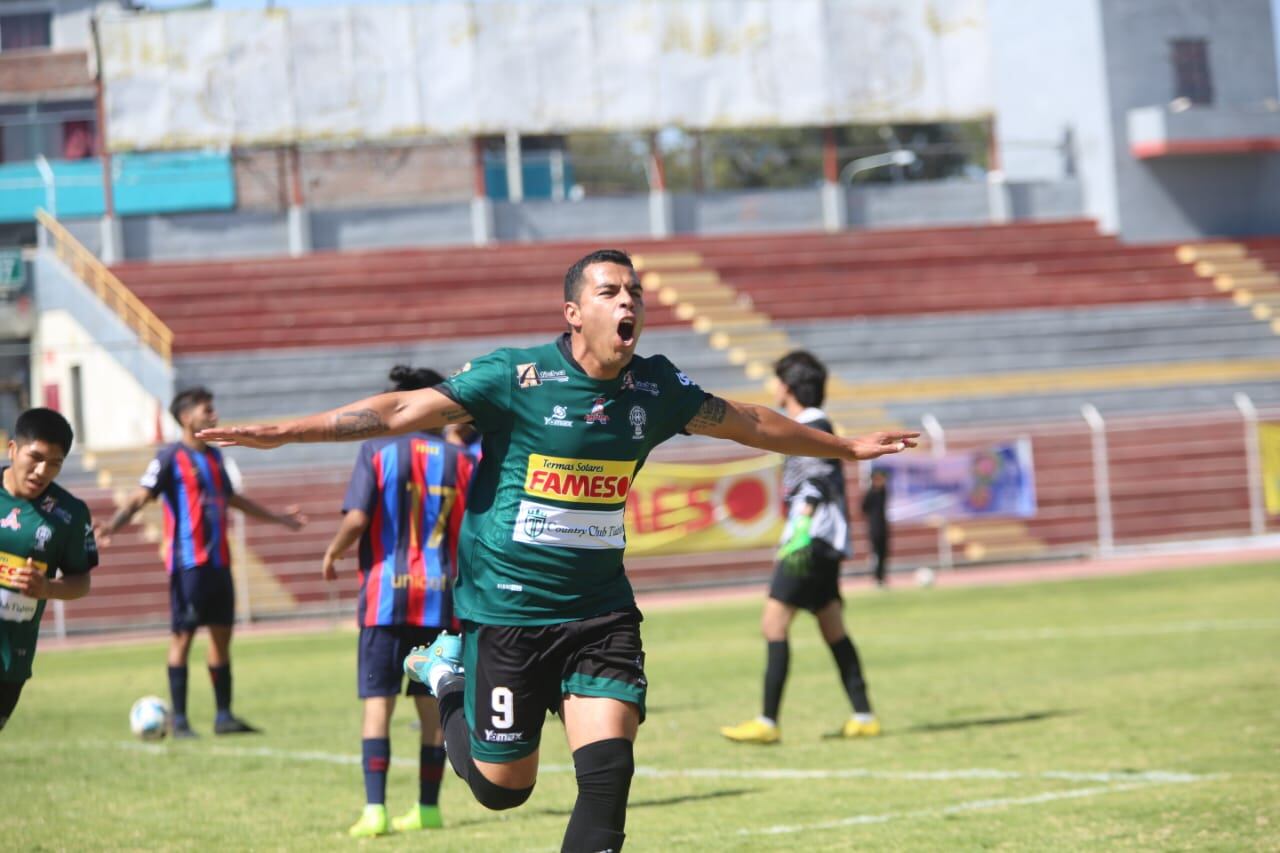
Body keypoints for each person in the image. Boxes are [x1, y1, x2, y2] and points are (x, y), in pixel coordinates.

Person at [198, 249, 917, 852]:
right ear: (574, 312)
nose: (626, 300)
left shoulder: (655, 386)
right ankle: (447, 677)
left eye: (634, 291)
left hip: (600, 612)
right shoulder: (517, 378)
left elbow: (752, 421)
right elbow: (397, 410)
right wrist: (284, 432)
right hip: (505, 610)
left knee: (607, 779)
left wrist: (847, 444)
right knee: (500, 790)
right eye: (609, 291)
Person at [96, 387, 306, 737]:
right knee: (182, 638)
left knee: (222, 637)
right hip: (187, 565)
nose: (214, 414)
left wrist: (279, 518)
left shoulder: (214, 457)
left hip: (219, 563)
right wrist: (113, 526)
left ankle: (224, 716)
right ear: (186, 417)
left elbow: (233, 499)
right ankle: (179, 720)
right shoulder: (168, 458)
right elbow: (139, 496)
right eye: (207, 410)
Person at [321, 365, 474, 838]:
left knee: (377, 703)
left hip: (385, 599)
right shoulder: (462, 459)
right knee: (433, 705)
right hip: (441, 600)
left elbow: (358, 518)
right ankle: (428, 807)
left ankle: (375, 811)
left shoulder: (376, 450)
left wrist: (333, 550)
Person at [721, 350, 880, 745]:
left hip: (810, 543)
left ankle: (767, 722)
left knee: (773, 624)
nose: (773, 388)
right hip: (824, 542)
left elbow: (818, 479)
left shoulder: (813, 426)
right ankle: (863, 714)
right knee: (832, 627)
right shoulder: (811, 425)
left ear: (789, 387)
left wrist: (801, 529)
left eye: (777, 381)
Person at [0, 408, 97, 731]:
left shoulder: (69, 514)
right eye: (35, 457)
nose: (42, 471)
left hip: (10, 659)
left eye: (54, 463)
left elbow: (81, 581)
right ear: (12, 449)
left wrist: (48, 588)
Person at [863, 468, 890, 587]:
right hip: (874, 527)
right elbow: (863, 507)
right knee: (876, 553)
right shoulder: (871, 493)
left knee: (884, 553)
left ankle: (882, 577)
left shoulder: (883, 491)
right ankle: (876, 577)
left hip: (883, 526)